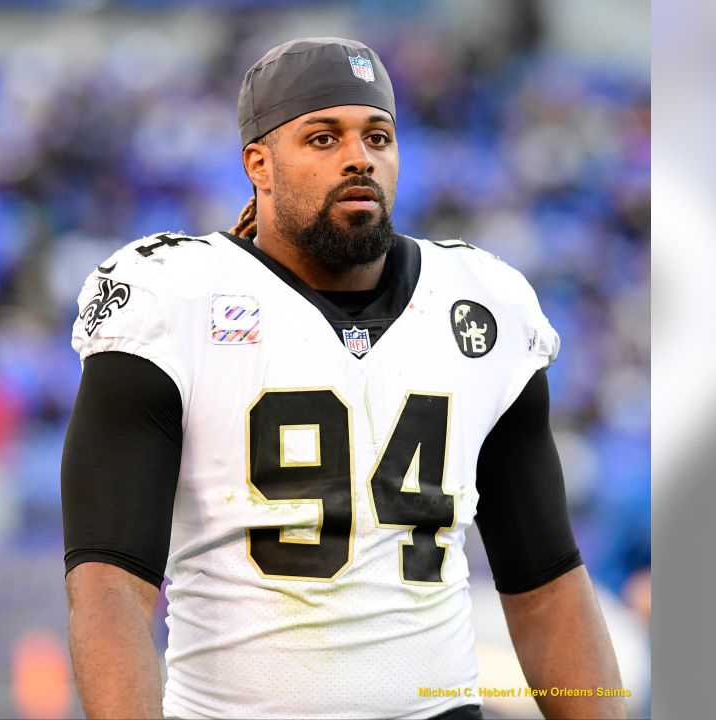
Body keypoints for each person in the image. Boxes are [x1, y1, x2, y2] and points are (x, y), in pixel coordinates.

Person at [61, 37, 625, 719]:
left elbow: (547, 585)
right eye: (322, 137)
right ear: (258, 165)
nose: (359, 157)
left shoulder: (483, 303)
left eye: (377, 136)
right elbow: (110, 585)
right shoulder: (176, 298)